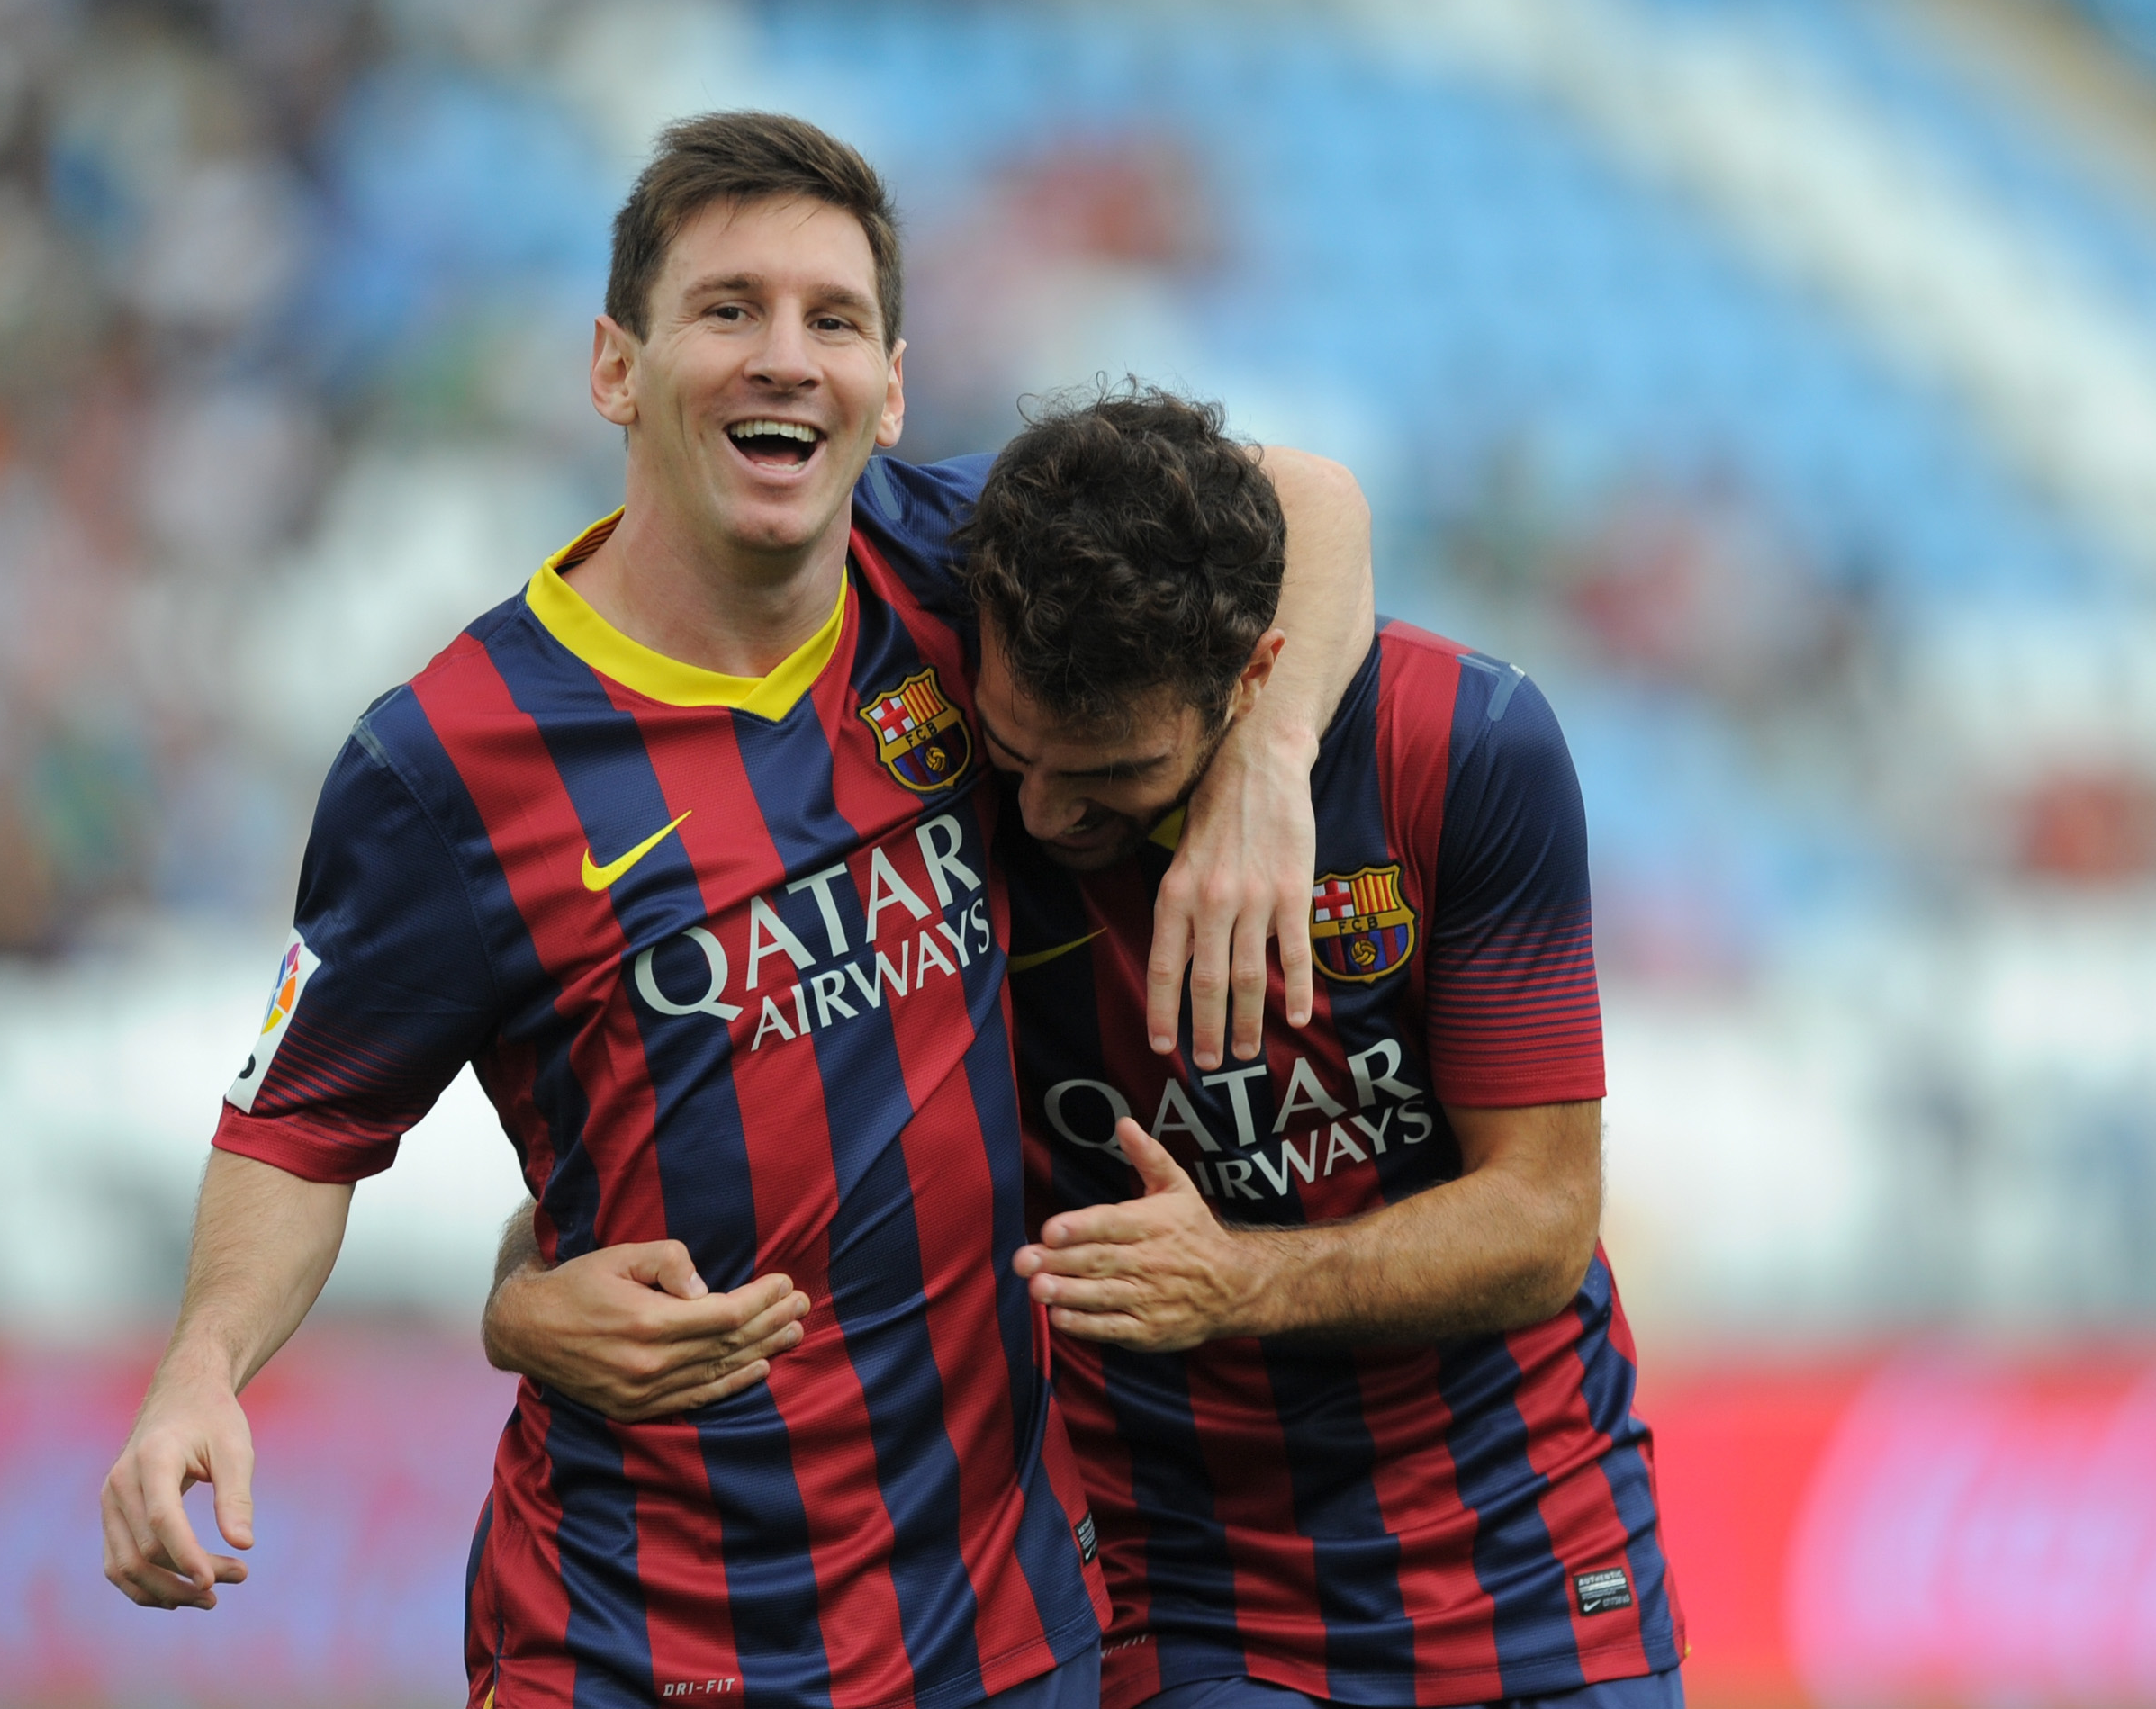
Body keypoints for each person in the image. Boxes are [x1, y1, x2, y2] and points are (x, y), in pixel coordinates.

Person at [99, 115, 1372, 1709]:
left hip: (992, 1637)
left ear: (893, 386)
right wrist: (202, 1374)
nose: (786, 358)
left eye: (832, 321)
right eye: (728, 311)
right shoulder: (452, 762)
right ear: (614, 367)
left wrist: (1269, 760)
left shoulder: (960, 568)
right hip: (634, 1638)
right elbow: (300, 1124)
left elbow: (1305, 500)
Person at [488, 387, 1684, 1709]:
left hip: (1530, 1536)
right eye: (1020, 757)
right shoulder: (935, 785)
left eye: (1113, 777)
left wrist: (1237, 1280)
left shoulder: (1460, 750)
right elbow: (719, 1115)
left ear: (1256, 675)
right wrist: (522, 1284)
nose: (1049, 814)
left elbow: (1544, 1217)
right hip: (1179, 1584)